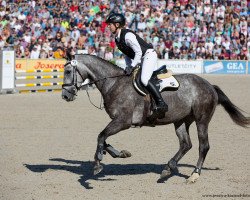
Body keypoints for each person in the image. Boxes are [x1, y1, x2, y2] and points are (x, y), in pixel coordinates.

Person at [106, 12, 168, 117]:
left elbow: (138, 52)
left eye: (110, 24)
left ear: (117, 25)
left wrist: (132, 65)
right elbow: (127, 54)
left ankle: (161, 103)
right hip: (141, 58)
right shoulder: (117, 38)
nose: (108, 26)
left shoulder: (128, 36)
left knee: (144, 79)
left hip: (148, 55)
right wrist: (128, 66)